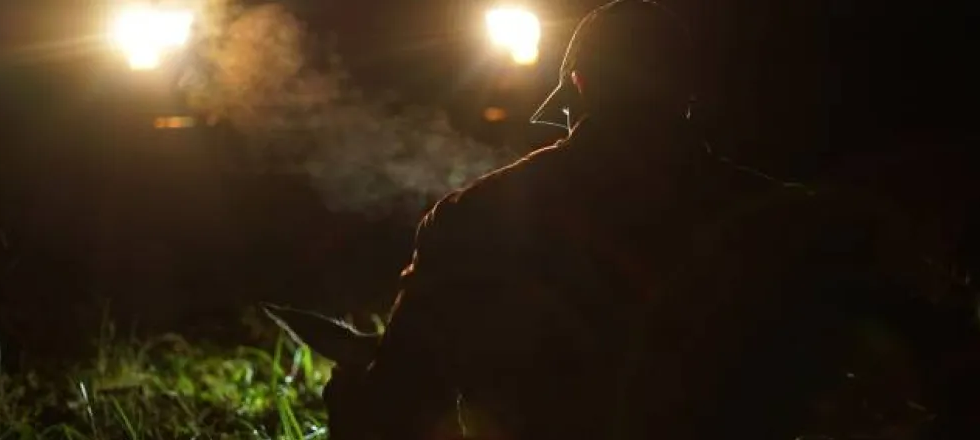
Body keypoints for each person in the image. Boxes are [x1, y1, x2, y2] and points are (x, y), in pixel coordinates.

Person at [316, 1, 898, 439]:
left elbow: (400, 401)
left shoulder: (476, 214)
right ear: (691, 88)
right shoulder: (784, 219)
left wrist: (351, 398)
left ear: (578, 85)